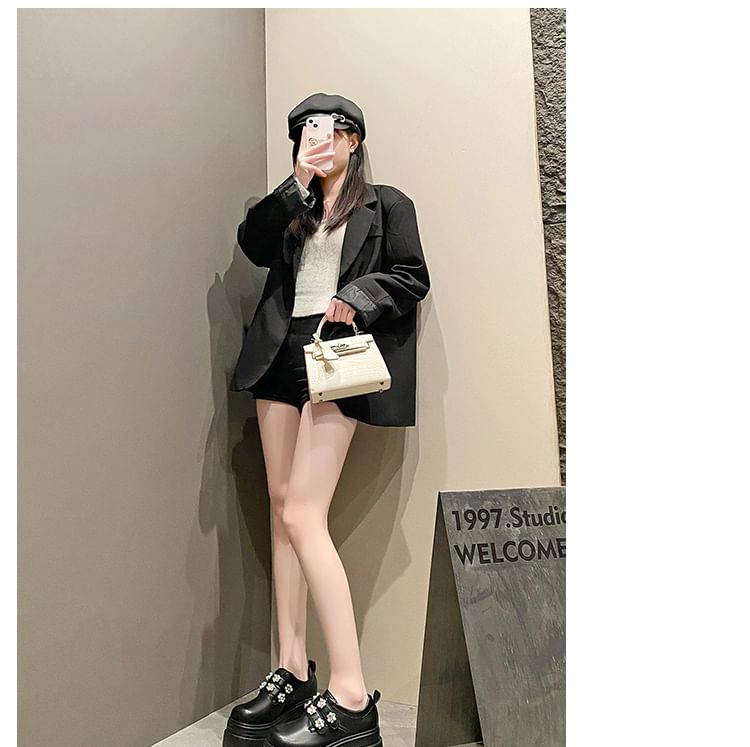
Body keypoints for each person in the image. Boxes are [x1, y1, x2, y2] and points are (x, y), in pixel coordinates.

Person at [224, 93, 430, 747]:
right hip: (278, 360)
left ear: (353, 138)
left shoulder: (387, 205)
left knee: (304, 515)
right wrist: (297, 184)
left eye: (328, 130)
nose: (315, 139)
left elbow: (412, 275)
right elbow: (253, 243)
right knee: (282, 508)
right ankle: (291, 667)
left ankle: (350, 693)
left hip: (336, 360)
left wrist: (358, 295)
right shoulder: (295, 207)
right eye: (304, 133)